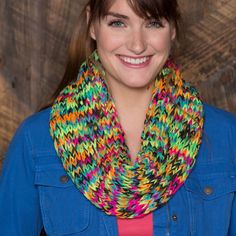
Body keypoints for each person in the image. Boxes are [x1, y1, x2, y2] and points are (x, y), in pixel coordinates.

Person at [0, 0, 236, 235]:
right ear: (92, 25)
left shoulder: (227, 136)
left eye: (153, 23)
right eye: (118, 23)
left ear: (172, 29)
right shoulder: (35, 140)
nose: (137, 45)